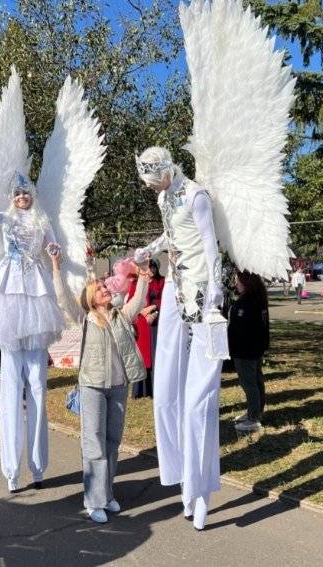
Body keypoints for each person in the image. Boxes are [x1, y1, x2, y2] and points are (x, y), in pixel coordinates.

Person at [133, 146, 224, 531]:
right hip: (174, 287)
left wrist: (217, 291)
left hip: (202, 290)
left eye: (156, 177)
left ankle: (200, 490)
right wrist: (148, 250)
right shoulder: (163, 197)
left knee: (197, 401)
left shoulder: (196, 195)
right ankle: (182, 477)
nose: (155, 185)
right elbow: (171, 236)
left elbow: (210, 245)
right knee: (167, 389)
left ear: (168, 168)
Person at [0, 173, 66, 493]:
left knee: (37, 385)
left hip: (35, 300)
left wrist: (54, 252)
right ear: (12, 197)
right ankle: (11, 470)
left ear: (32, 195)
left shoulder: (41, 220)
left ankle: (38, 466)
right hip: (10, 300)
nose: (22, 197)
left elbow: (55, 246)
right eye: (17, 194)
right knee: (10, 389)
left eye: (26, 193)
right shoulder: (5, 218)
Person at [51, 251, 149, 524]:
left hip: (118, 387)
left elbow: (139, 300)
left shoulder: (120, 315)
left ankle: (106, 494)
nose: (106, 289)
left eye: (106, 287)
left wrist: (142, 275)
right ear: (91, 298)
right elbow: (63, 298)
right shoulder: (84, 319)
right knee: (93, 443)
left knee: (112, 442)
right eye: (101, 289)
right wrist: (56, 267)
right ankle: (93, 501)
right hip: (92, 387)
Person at [229, 272, 270, 433]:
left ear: (245, 283)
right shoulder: (258, 299)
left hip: (245, 349)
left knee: (250, 383)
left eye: (237, 281)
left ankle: (253, 418)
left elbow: (240, 329)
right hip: (256, 348)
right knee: (256, 380)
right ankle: (256, 412)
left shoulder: (246, 303)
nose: (236, 284)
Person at [130, 259, 164, 399]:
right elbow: (131, 302)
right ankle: (141, 390)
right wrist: (143, 311)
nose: (151, 270)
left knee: (156, 354)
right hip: (142, 324)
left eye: (153, 267)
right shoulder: (135, 283)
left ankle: (156, 389)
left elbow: (167, 299)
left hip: (157, 323)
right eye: (148, 267)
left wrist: (154, 309)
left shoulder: (162, 281)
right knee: (142, 356)